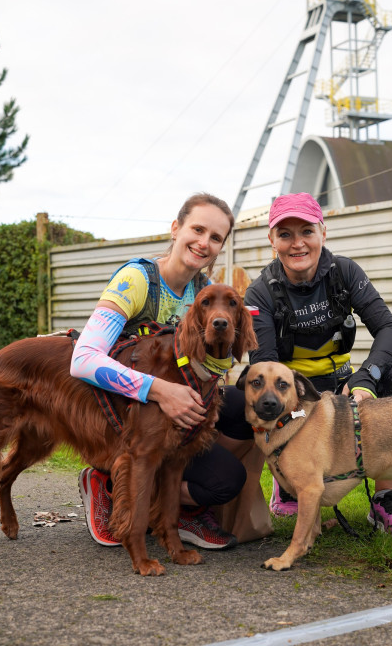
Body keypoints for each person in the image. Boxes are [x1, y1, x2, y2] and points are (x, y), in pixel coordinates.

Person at [71, 192, 254, 550]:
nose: (204, 242)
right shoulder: (138, 280)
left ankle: (175, 494)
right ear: (175, 229)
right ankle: (108, 480)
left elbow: (212, 369)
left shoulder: (204, 292)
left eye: (215, 237)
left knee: (242, 410)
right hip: (122, 410)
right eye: (197, 229)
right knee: (218, 475)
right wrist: (158, 390)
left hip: (169, 411)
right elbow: (83, 359)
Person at [243, 192, 392, 537]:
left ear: (323, 232)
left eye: (307, 231)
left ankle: (386, 501)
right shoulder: (260, 292)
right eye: (285, 234)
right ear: (272, 240)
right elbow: (264, 365)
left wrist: (366, 378)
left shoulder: (344, 272)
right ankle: (288, 480)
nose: (298, 244)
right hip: (295, 396)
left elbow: (388, 329)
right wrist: (300, 403)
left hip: (344, 387)